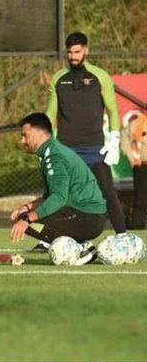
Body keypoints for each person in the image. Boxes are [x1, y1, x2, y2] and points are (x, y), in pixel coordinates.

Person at [46, 31, 126, 249]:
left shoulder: (100, 76)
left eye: (77, 52)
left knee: (108, 193)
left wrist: (114, 139)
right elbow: (50, 114)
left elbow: (112, 110)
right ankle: (48, 240)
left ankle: (123, 237)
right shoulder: (58, 79)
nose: (73, 56)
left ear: (86, 51)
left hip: (94, 149)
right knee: (58, 195)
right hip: (66, 149)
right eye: (70, 52)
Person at [9, 113, 107, 264]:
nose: (22, 141)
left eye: (25, 135)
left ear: (39, 134)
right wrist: (26, 207)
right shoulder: (51, 152)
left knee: (27, 217)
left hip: (89, 218)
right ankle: (78, 245)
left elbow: (58, 198)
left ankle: (79, 249)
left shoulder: (55, 156)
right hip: (90, 216)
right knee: (23, 215)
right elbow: (52, 196)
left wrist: (27, 219)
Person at [121, 111, 147, 229]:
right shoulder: (139, 123)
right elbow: (125, 137)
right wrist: (131, 157)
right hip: (142, 165)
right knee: (141, 197)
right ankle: (137, 225)